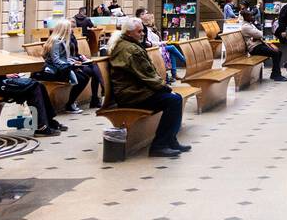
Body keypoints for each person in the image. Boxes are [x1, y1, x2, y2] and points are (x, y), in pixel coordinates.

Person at [107, 17, 190, 158]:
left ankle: (170, 140)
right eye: (139, 31)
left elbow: (146, 74)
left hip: (134, 90)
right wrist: (165, 87)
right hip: (132, 95)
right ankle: (160, 145)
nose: (142, 34)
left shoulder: (126, 43)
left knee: (175, 98)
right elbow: (147, 75)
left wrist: (163, 87)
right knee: (174, 101)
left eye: (142, 31)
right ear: (129, 32)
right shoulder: (130, 49)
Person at [43, 21, 103, 114]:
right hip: (56, 70)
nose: (71, 30)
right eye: (69, 28)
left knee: (87, 73)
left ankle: (72, 103)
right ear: (64, 30)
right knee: (83, 78)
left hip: (64, 67)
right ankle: (70, 104)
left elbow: (66, 58)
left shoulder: (62, 40)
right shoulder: (56, 41)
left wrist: (74, 62)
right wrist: (72, 64)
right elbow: (56, 60)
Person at [0, 71, 67, 136]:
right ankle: (41, 126)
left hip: (1, 79)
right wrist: (4, 74)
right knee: (34, 87)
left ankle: (48, 122)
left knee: (39, 85)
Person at [238, 9, 285, 81]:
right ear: (246, 17)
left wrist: (257, 35)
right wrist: (257, 35)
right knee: (276, 53)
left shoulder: (250, 24)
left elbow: (258, 34)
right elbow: (261, 34)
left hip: (258, 45)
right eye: (250, 16)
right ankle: (276, 75)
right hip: (254, 48)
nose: (252, 17)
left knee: (278, 52)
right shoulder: (246, 27)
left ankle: (275, 73)